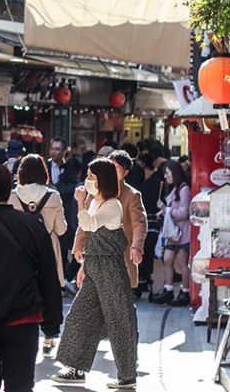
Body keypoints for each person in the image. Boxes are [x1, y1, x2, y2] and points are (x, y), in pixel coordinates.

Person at [0, 162, 63, 392]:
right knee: (20, 386)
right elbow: (48, 276)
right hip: (24, 319)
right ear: (10, 189)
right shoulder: (32, 226)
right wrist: (51, 323)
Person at [52, 158, 138, 389]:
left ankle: (127, 376)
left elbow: (88, 225)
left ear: (103, 179)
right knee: (78, 316)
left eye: (92, 176)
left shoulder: (112, 205)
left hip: (111, 270)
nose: (87, 180)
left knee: (119, 322)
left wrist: (80, 202)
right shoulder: (96, 201)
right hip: (93, 267)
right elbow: (89, 235)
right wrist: (83, 266)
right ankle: (74, 368)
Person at [73, 150, 147, 299]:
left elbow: (139, 223)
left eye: (117, 167)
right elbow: (84, 221)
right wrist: (78, 245)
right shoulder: (94, 193)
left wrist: (137, 246)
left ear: (126, 172)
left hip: (121, 251)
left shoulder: (132, 195)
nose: (112, 170)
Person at [13, 153, 67, 356]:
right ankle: (48, 337)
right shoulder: (53, 196)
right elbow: (61, 230)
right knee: (49, 292)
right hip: (48, 248)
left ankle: (25, 333)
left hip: (20, 249)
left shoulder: (12, 195)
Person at [154, 160, 192, 306]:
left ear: (175, 173)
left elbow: (184, 212)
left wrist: (165, 210)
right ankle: (168, 290)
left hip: (182, 233)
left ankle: (185, 292)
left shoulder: (184, 189)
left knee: (182, 262)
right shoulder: (175, 188)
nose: (166, 176)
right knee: (167, 260)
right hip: (173, 233)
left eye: (167, 173)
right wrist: (163, 212)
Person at [48, 138, 82, 287]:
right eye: (52, 148)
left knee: (64, 248)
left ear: (64, 152)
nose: (53, 152)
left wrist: (54, 188)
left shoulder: (69, 168)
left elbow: (70, 188)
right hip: (48, 213)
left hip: (65, 214)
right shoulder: (45, 165)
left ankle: (62, 279)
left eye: (57, 149)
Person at [137, 153, 163, 298]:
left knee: (141, 250)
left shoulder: (143, 187)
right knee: (148, 251)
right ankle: (146, 279)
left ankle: (140, 280)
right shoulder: (159, 185)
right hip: (154, 222)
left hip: (142, 221)